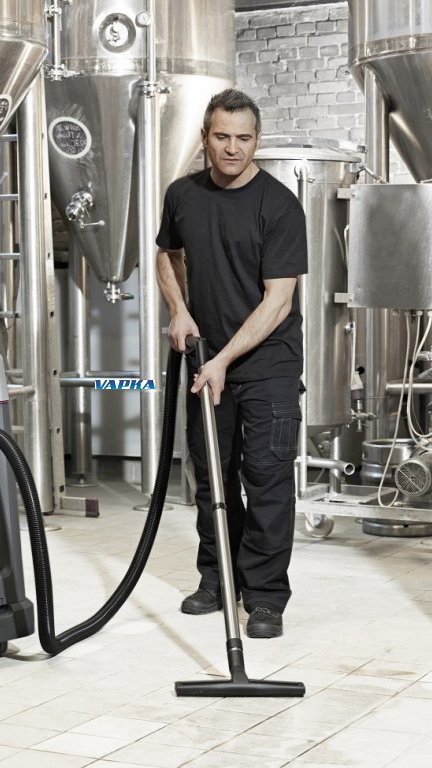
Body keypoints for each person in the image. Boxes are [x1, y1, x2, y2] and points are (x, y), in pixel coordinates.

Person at [155, 89, 307, 639]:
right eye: (222, 137)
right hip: (206, 362)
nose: (233, 148)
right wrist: (179, 310)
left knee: (266, 481)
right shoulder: (183, 195)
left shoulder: (280, 206)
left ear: (257, 140)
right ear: (205, 138)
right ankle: (218, 580)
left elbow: (278, 301)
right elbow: (167, 254)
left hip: (268, 368)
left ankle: (264, 598)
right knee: (211, 481)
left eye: (244, 138)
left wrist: (222, 359)